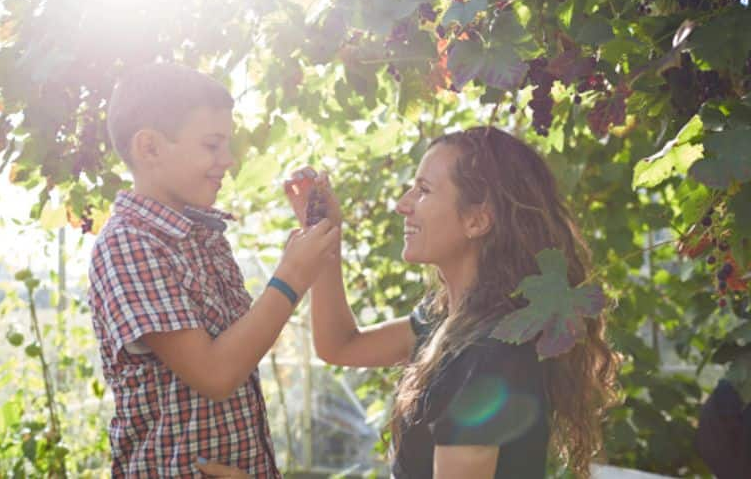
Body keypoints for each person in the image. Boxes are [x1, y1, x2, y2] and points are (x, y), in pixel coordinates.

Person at [284, 126, 620, 478]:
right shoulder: (447, 320)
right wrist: (325, 234)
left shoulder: (489, 356)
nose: (402, 205)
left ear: (476, 220)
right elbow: (340, 345)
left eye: (423, 190)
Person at [87, 62, 339, 478]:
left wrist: (318, 234)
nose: (228, 159)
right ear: (148, 147)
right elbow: (215, 373)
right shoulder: (128, 244)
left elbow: (239, 348)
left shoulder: (203, 236)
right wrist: (291, 276)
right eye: (211, 145)